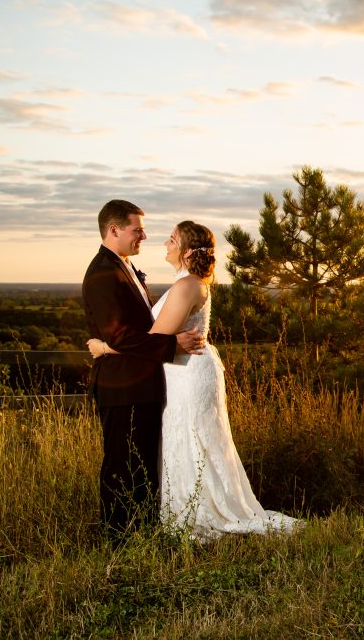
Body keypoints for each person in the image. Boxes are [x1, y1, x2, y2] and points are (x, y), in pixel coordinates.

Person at [88, 220, 302, 540]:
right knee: (188, 439)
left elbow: (154, 339)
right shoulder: (190, 282)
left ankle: (198, 512)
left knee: (192, 439)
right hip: (183, 370)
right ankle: (186, 508)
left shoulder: (187, 285)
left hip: (187, 373)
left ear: (186, 251)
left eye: (172, 240)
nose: (164, 244)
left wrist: (104, 346)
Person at [83, 200, 205, 538]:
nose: (144, 236)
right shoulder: (102, 274)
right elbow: (119, 335)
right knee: (121, 466)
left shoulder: (122, 267)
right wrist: (172, 345)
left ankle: (144, 530)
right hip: (122, 387)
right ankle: (118, 537)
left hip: (141, 384)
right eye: (137, 230)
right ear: (114, 230)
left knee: (142, 466)